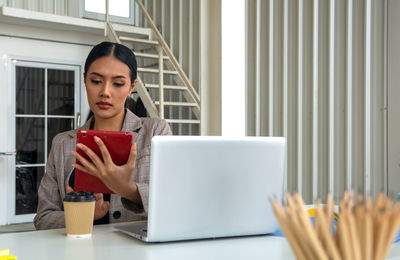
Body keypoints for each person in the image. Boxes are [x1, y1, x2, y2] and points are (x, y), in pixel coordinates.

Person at [34, 41, 172, 230]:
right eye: (96, 81)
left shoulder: (155, 132)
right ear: (84, 80)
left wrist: (128, 190)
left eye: (118, 83)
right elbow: (43, 218)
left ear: (132, 86)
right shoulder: (62, 143)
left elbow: (172, 200)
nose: (105, 92)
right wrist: (83, 216)